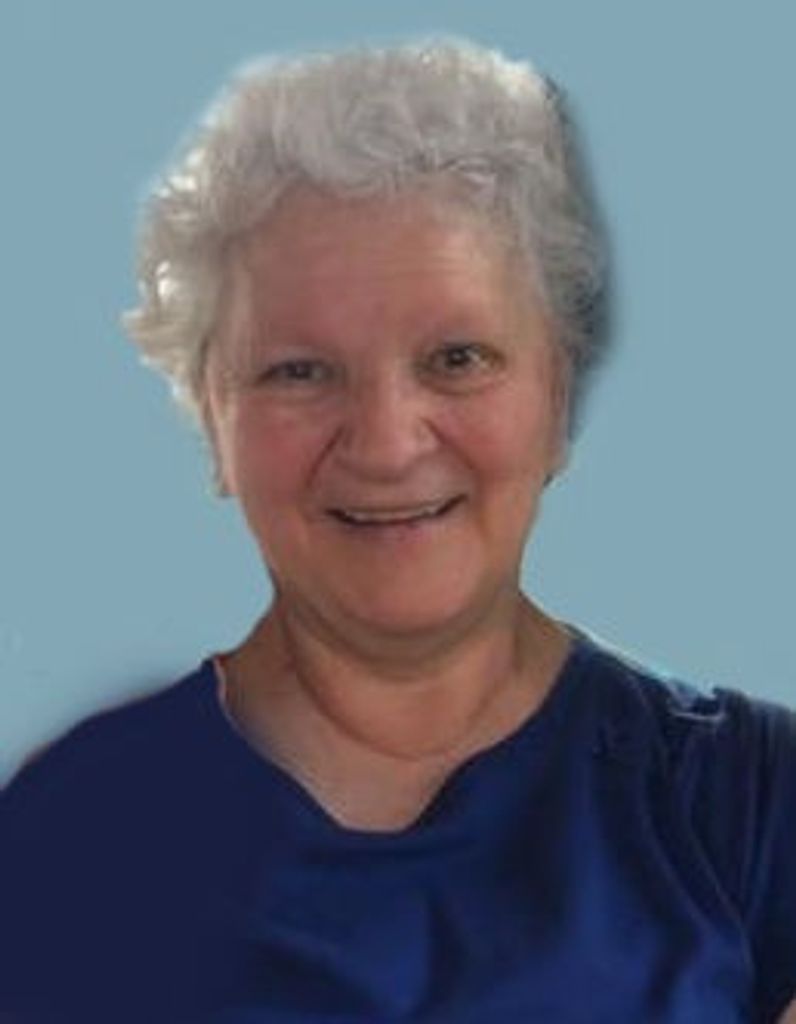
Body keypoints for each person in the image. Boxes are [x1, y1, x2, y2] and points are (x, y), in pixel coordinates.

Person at [1, 37, 794, 1024]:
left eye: (457, 358)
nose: (383, 444)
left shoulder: (752, 803)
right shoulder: (74, 830)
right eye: (299, 371)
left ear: (556, 395)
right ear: (212, 416)